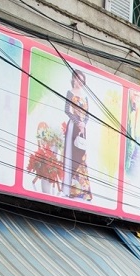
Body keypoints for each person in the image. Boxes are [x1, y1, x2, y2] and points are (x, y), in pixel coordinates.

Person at [62, 69, 92, 200]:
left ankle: (83, 189)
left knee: (82, 156)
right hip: (73, 127)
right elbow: (67, 110)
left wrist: (83, 124)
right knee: (72, 154)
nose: (79, 82)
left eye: (81, 80)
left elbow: (88, 114)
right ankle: (71, 189)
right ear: (73, 79)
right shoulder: (70, 93)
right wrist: (77, 122)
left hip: (82, 129)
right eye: (77, 79)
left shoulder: (85, 96)